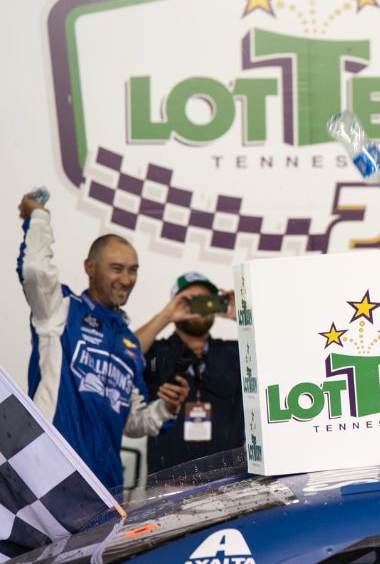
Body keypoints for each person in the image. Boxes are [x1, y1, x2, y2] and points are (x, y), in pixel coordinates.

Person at [17, 193, 189, 492]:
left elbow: (133, 421)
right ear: (90, 267)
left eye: (133, 270)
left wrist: (166, 408)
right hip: (50, 475)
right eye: (117, 268)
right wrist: (39, 216)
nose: (127, 279)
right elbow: (34, 270)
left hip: (105, 487)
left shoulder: (128, 344)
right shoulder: (60, 310)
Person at [133, 271, 242, 474]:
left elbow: (278, 359)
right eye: (189, 302)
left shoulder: (235, 353)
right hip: (167, 483)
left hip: (231, 481)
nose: (198, 308)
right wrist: (165, 316)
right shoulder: (154, 353)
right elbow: (121, 357)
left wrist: (243, 316)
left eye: (206, 301)